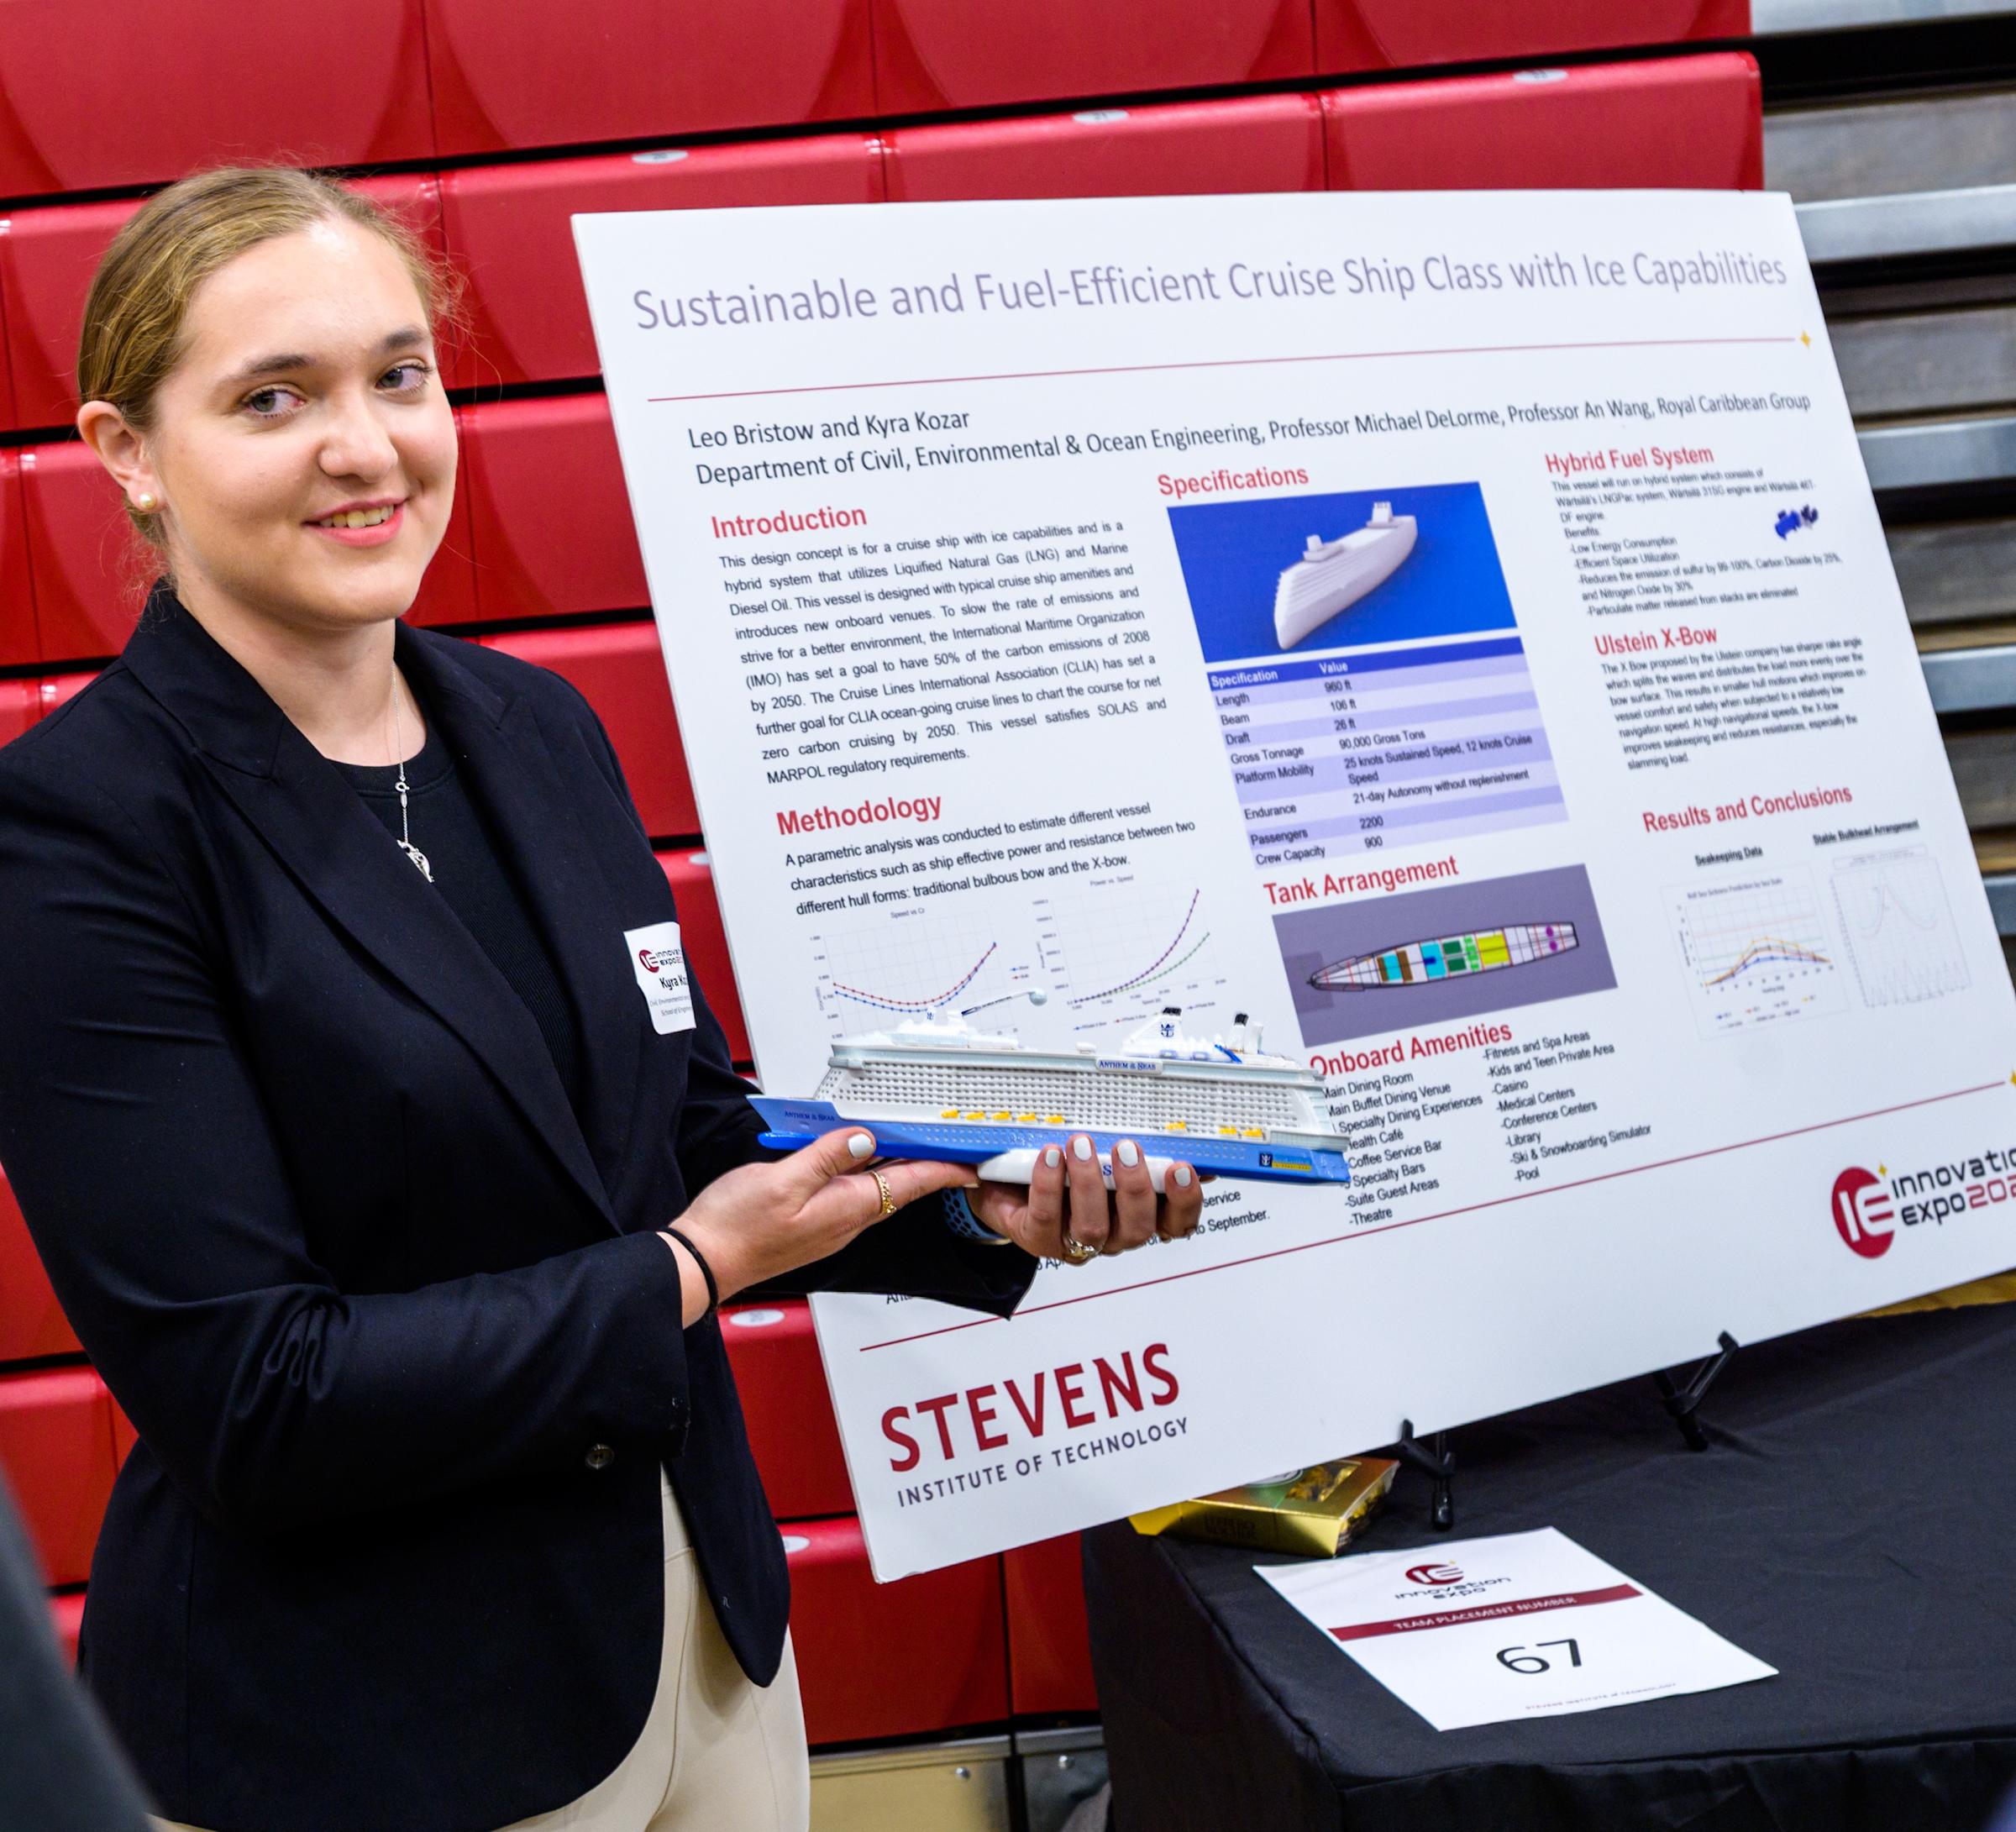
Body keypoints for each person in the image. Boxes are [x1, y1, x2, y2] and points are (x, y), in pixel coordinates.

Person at [0, 166, 1205, 1832]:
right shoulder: (81, 833)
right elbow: (258, 1392)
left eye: (397, 374)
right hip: (376, 1727)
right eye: (274, 397)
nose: (364, 445)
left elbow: (688, 1127)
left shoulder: (533, 729)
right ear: (128, 449)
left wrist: (978, 1199)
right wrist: (691, 1269)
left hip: (694, 1644)